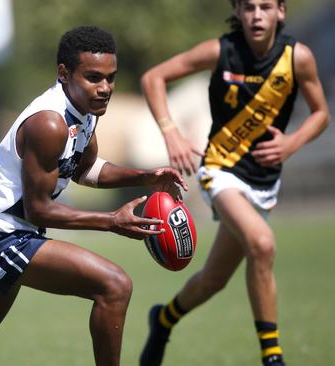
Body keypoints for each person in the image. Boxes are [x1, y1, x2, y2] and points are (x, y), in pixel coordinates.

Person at [0, 25, 187, 365]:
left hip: (10, 230)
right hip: (2, 235)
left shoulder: (84, 110)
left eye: (111, 78)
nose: (105, 88)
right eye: (93, 77)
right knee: (115, 285)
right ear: (63, 73)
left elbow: (85, 169)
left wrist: (145, 176)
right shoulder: (49, 123)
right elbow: (39, 209)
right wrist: (112, 221)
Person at [138, 1, 330, 366]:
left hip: (264, 184)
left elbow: (321, 113)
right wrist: (171, 133)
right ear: (238, 12)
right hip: (220, 171)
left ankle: (163, 320)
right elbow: (153, 78)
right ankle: (272, 356)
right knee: (262, 243)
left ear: (281, 12)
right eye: (248, 7)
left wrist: (291, 143)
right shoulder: (220, 51)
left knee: (213, 279)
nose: (257, 15)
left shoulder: (298, 57)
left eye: (265, 7)